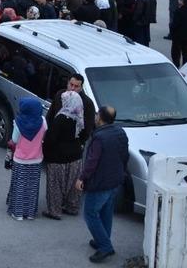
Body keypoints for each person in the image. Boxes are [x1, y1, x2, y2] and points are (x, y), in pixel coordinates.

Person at [77, 106, 129, 264]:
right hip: (115, 181)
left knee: (90, 213)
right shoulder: (120, 131)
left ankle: (105, 246)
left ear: (100, 118)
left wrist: (82, 178)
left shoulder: (99, 137)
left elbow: (92, 162)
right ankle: (103, 240)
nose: (95, 116)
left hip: (100, 183)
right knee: (106, 212)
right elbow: (124, 155)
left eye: (97, 114)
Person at [42, 91, 84, 220]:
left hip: (58, 157)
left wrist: (44, 151)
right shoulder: (79, 117)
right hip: (75, 157)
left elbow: (51, 138)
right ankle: (72, 207)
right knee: (72, 185)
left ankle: (55, 211)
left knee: (55, 185)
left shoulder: (60, 118)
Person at [7, 97, 47, 221]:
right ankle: (30, 213)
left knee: (20, 186)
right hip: (36, 159)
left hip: (21, 160)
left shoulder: (18, 123)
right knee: (32, 187)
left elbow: (14, 140)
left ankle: (18, 213)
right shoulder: (43, 122)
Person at [171, 0, 187, 67]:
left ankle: (176, 66)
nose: (178, 1)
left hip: (178, 36)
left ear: (182, 1)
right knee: (186, 53)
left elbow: (175, 24)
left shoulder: (179, 11)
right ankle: (185, 66)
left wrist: (171, 29)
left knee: (176, 53)